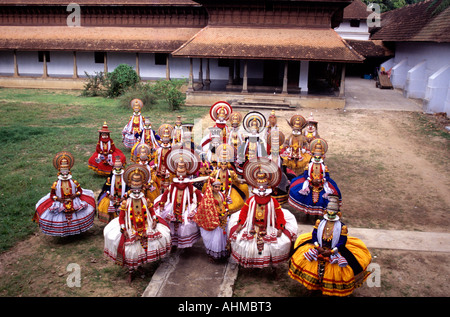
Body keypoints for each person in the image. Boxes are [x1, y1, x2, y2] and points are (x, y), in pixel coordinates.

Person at [288, 195, 372, 296]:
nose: (330, 215)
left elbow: (342, 241)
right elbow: (314, 235)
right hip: (319, 247)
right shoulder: (319, 223)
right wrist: (317, 246)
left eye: (333, 213)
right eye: (329, 212)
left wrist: (331, 251)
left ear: (337, 214)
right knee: (304, 258)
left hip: (334, 250)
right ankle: (314, 288)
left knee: (347, 267)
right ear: (326, 212)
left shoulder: (342, 227)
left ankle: (329, 291)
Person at [103, 164, 171, 282]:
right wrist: (123, 229)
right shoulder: (126, 203)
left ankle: (139, 266)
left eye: (138, 188)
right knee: (130, 251)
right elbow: (121, 217)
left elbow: (151, 211)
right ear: (130, 186)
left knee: (143, 248)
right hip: (131, 228)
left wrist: (154, 220)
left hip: (145, 226)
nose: (136, 191)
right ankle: (131, 271)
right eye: (134, 188)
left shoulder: (146, 200)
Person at [228, 158, 298, 269]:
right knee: (243, 242)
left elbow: (279, 215)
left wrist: (280, 228)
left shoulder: (273, 201)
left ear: (269, 187)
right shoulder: (251, 201)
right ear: (255, 187)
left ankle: (270, 266)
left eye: (264, 187)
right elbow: (244, 213)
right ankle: (253, 265)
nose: (261, 190)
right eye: (259, 188)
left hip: (270, 227)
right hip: (252, 225)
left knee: (276, 245)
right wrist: (240, 224)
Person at [34, 151, 96, 237]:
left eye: (66, 170)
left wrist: (75, 194)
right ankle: (66, 233)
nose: (64, 172)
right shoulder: (56, 184)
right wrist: (58, 199)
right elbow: (52, 195)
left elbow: (80, 191)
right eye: (63, 170)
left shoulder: (74, 182)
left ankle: (76, 232)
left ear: (69, 170)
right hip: (61, 202)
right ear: (59, 171)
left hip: (74, 200)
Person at [155, 148, 203, 250]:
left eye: (183, 169)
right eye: (179, 169)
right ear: (175, 171)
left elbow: (197, 193)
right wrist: (162, 203)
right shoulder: (172, 185)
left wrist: (199, 203)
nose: (181, 172)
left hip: (186, 207)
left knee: (186, 225)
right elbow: (165, 194)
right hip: (172, 206)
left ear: (187, 171)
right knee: (169, 224)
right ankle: (173, 243)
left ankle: (185, 244)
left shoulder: (189, 185)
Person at [288, 138, 341, 217]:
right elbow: (306, 174)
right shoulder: (309, 165)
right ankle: (307, 216)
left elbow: (327, 176)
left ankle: (316, 216)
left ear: (322, 157)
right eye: (315, 157)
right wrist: (310, 180)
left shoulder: (324, 167)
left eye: (318, 158)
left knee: (321, 200)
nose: (316, 159)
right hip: (310, 183)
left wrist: (321, 180)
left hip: (320, 184)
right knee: (306, 199)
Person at [194, 178, 230, 262]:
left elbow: (225, 204)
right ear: (212, 187)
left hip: (223, 218)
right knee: (216, 238)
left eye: (219, 187)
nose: (218, 189)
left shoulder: (221, 194)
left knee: (224, 237)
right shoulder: (208, 197)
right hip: (215, 220)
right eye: (216, 187)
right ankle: (214, 255)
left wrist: (226, 213)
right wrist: (218, 217)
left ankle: (223, 253)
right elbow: (207, 210)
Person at [207, 144, 249, 214]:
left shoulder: (231, 172)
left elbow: (237, 180)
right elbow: (210, 178)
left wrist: (243, 181)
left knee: (243, 188)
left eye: (225, 164)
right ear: (220, 164)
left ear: (228, 164)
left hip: (229, 189)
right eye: (222, 164)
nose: (223, 166)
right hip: (217, 189)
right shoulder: (216, 172)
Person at [97, 157, 128, 224]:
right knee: (106, 205)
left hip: (123, 197)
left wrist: (124, 196)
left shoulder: (126, 178)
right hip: (112, 197)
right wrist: (109, 195)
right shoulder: (110, 178)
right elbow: (107, 187)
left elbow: (128, 188)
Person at [201, 101, 232, 166]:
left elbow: (228, 136)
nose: (222, 116)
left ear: (225, 116)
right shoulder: (215, 127)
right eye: (220, 114)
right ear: (217, 115)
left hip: (224, 144)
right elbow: (211, 137)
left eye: (223, 114)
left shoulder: (226, 127)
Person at [236, 111, 268, 175]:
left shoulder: (259, 140)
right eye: (253, 125)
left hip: (256, 158)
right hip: (248, 157)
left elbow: (262, 150)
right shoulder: (247, 139)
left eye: (255, 125)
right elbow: (243, 148)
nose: (254, 130)